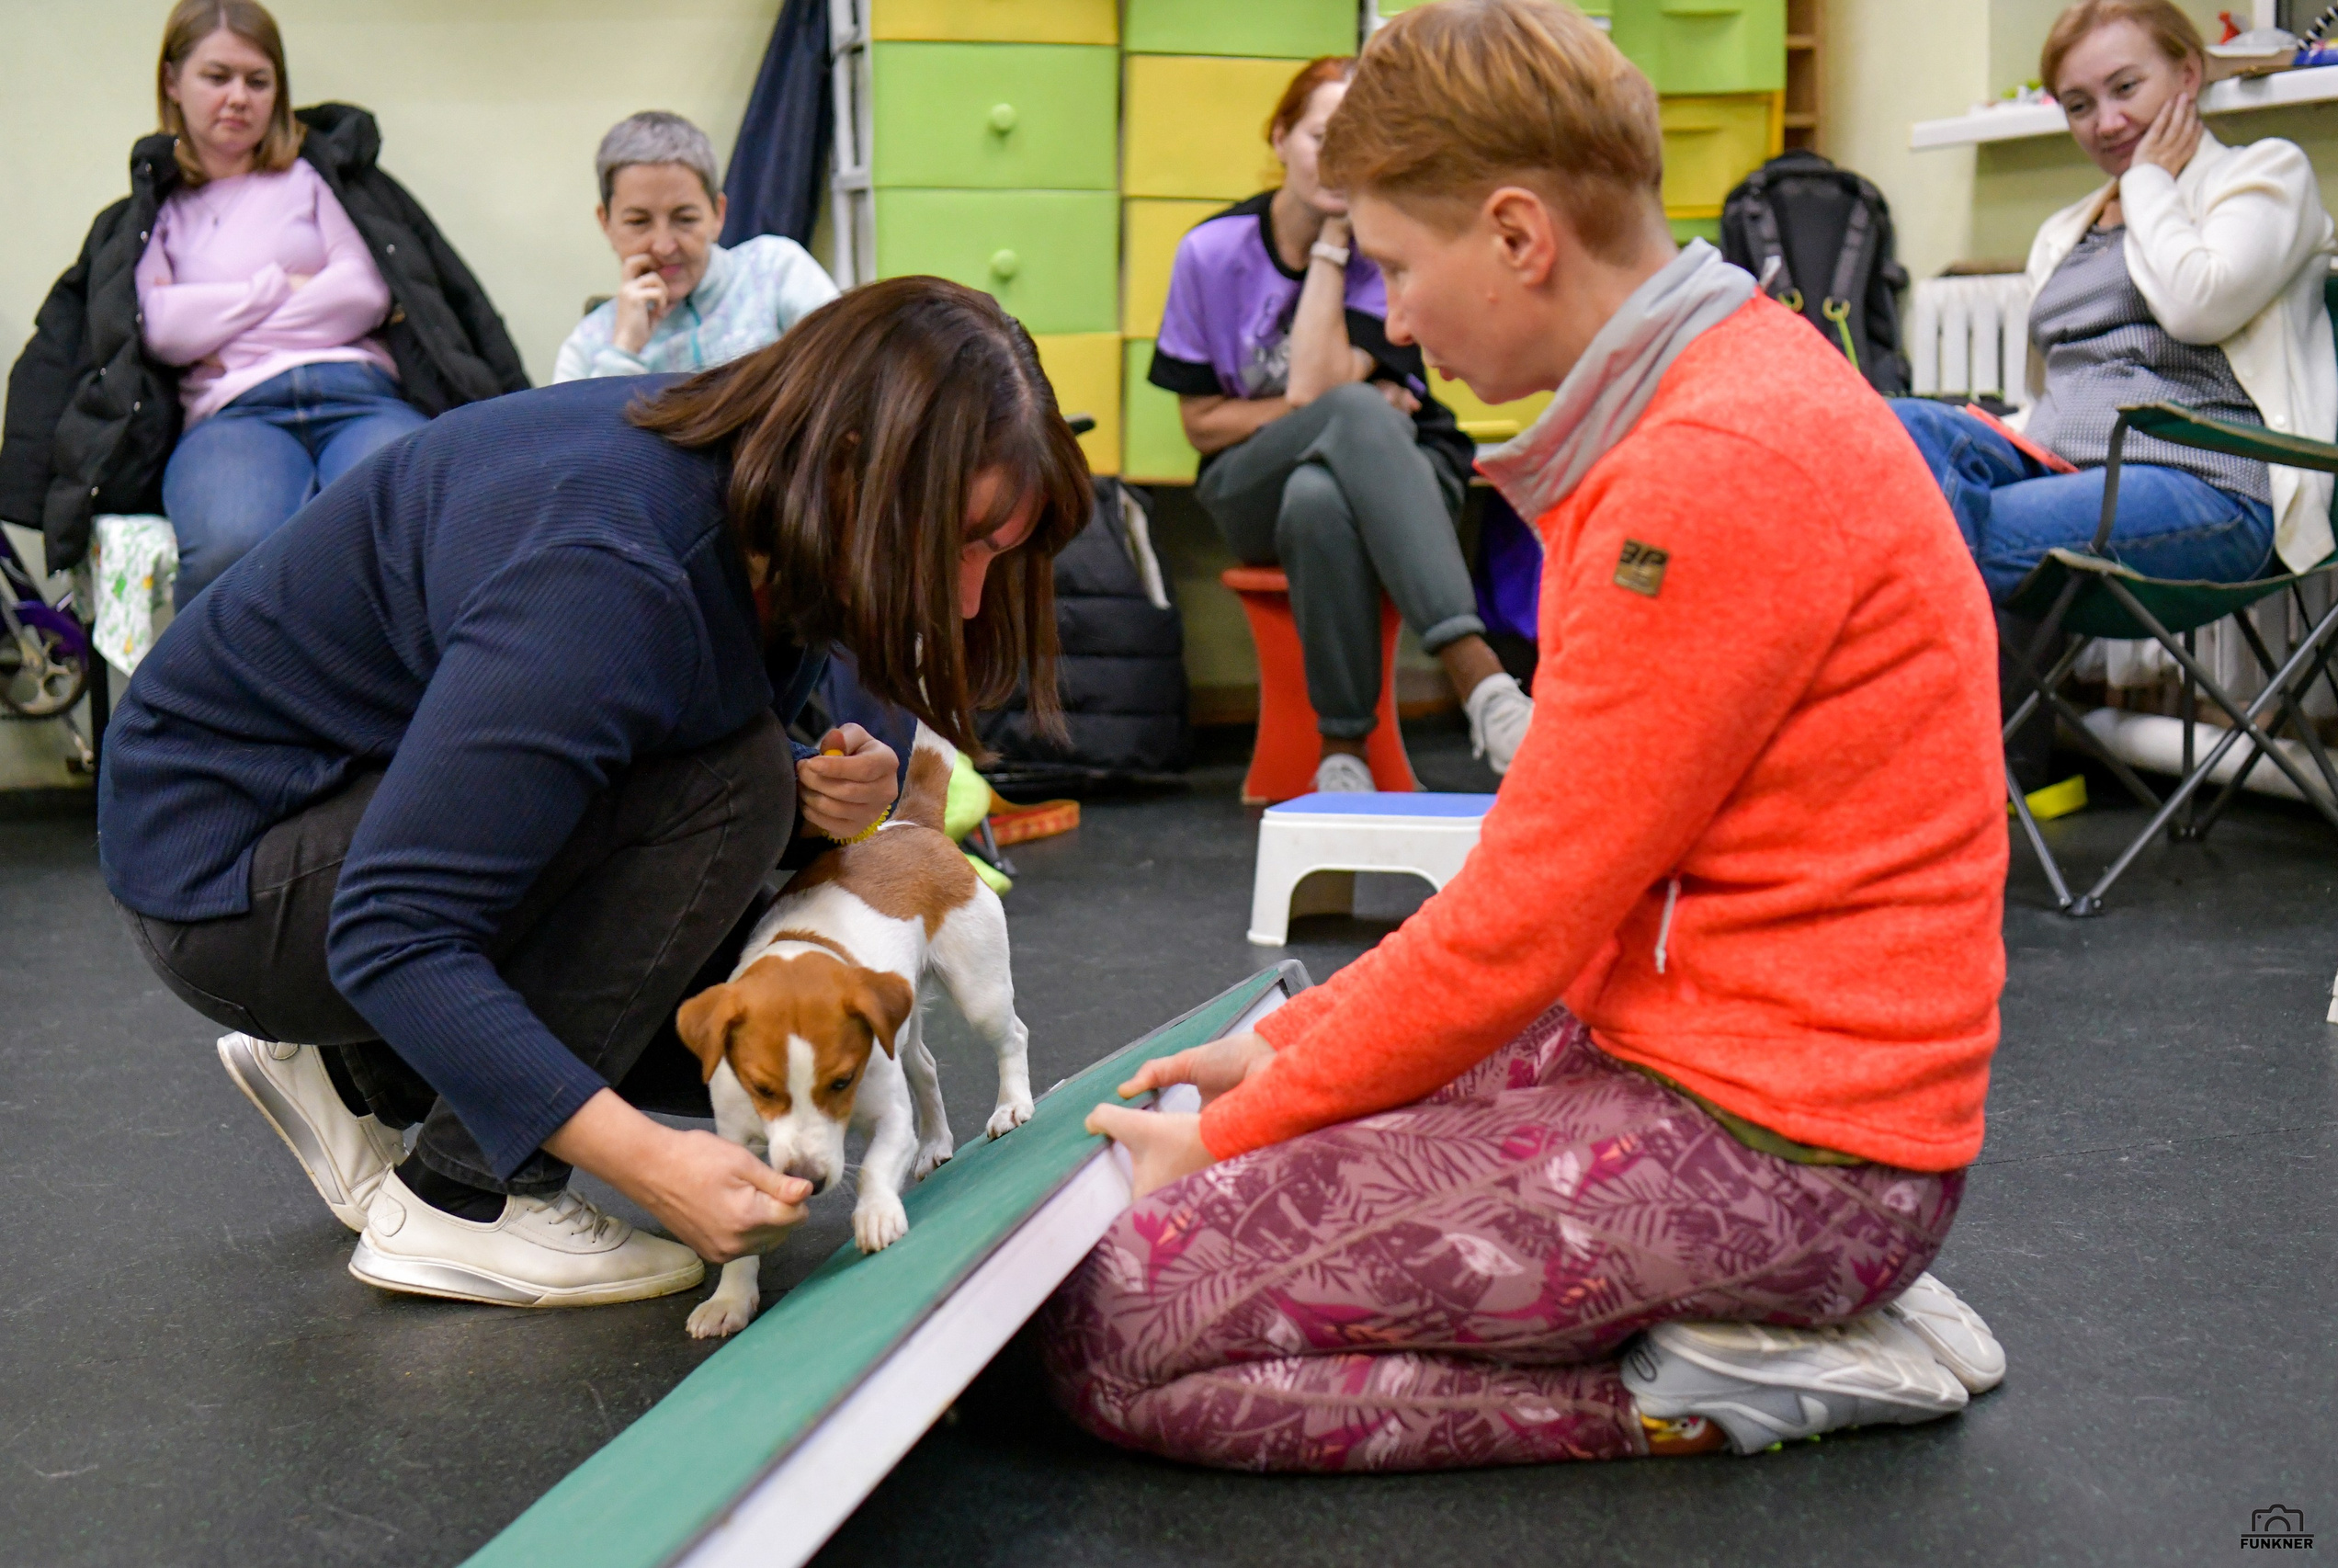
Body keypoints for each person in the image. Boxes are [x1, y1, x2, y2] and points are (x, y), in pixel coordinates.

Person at [1048, 0, 2010, 1468]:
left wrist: (1243, 1129)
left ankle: (1705, 1384)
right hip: (1733, 1065)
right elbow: (1548, 911)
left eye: (1394, 266)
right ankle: (1760, 1310)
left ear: (1517, 235)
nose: (1399, 315)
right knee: (1286, 1125)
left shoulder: (1707, 464)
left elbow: (1517, 923)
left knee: (1115, 1317)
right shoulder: (1720, 386)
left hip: (1798, 1158)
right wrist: (1287, 1055)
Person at [101, 278, 1091, 1308]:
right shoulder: (609, 571)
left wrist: (814, 791)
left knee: (747, 814)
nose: (969, 595)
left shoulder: (762, 468)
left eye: (996, 553)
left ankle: (374, 1074)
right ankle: (463, 1199)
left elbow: (648, 719)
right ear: (856, 468)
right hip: (230, 884)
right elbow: (392, 929)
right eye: (959, 543)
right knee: (731, 798)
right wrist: (650, 1163)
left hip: (330, 807)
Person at [0, 0, 530, 608]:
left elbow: (363, 293)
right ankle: (248, 702)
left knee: (419, 523)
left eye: (258, 80)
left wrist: (220, 323)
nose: (239, 97)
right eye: (217, 77)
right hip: (234, 417)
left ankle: (409, 702)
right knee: (232, 545)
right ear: (173, 82)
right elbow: (165, 331)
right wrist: (281, 284)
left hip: (361, 399)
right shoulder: (156, 214)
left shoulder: (316, 179)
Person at [1151, 56, 1534, 788]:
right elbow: (1211, 420)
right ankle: (1479, 677)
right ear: (1280, 137)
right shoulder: (1210, 252)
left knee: (1320, 496)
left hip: (1409, 482)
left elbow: (1311, 389)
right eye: (1322, 134)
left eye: (1356, 140)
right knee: (1354, 409)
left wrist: (1338, 242)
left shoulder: (1387, 246)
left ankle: (1343, 754)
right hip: (1247, 483)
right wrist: (1329, 408)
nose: (1335, 158)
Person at [1890, 0, 2337, 603]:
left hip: (2207, 486)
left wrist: (2148, 182)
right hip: (2058, 466)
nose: (2107, 122)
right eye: (2079, 106)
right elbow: (2057, 391)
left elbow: (2196, 309)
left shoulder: (2266, 175)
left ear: (2187, 74)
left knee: (1913, 547)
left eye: (2126, 87)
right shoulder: (2063, 230)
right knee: (1898, 425)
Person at [552, 111, 839, 384]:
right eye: (639, 222)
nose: (664, 246)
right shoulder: (587, 345)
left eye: (685, 219)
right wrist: (624, 350)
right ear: (606, 224)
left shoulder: (776, 272)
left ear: (718, 213)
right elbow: (574, 436)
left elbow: (853, 377)